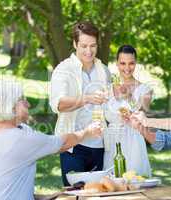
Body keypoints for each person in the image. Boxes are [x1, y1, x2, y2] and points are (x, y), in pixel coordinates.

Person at [0, 80, 103, 200]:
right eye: (23, 100)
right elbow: (63, 143)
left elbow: (3, 187)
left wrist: (51, 196)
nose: (28, 104)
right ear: (12, 105)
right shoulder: (21, 139)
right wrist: (87, 132)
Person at [49, 21, 111, 186]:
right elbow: (58, 104)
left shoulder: (103, 70)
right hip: (74, 146)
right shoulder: (63, 70)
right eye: (84, 46)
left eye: (93, 46)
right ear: (75, 44)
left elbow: (109, 104)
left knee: (99, 194)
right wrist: (87, 98)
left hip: (100, 145)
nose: (89, 51)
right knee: (75, 195)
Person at [103, 45, 153, 176]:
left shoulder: (145, 89)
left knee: (136, 181)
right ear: (117, 64)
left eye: (131, 63)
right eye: (122, 63)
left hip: (134, 141)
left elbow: (142, 113)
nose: (127, 68)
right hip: (112, 142)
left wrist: (129, 97)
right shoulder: (107, 89)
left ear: (136, 64)